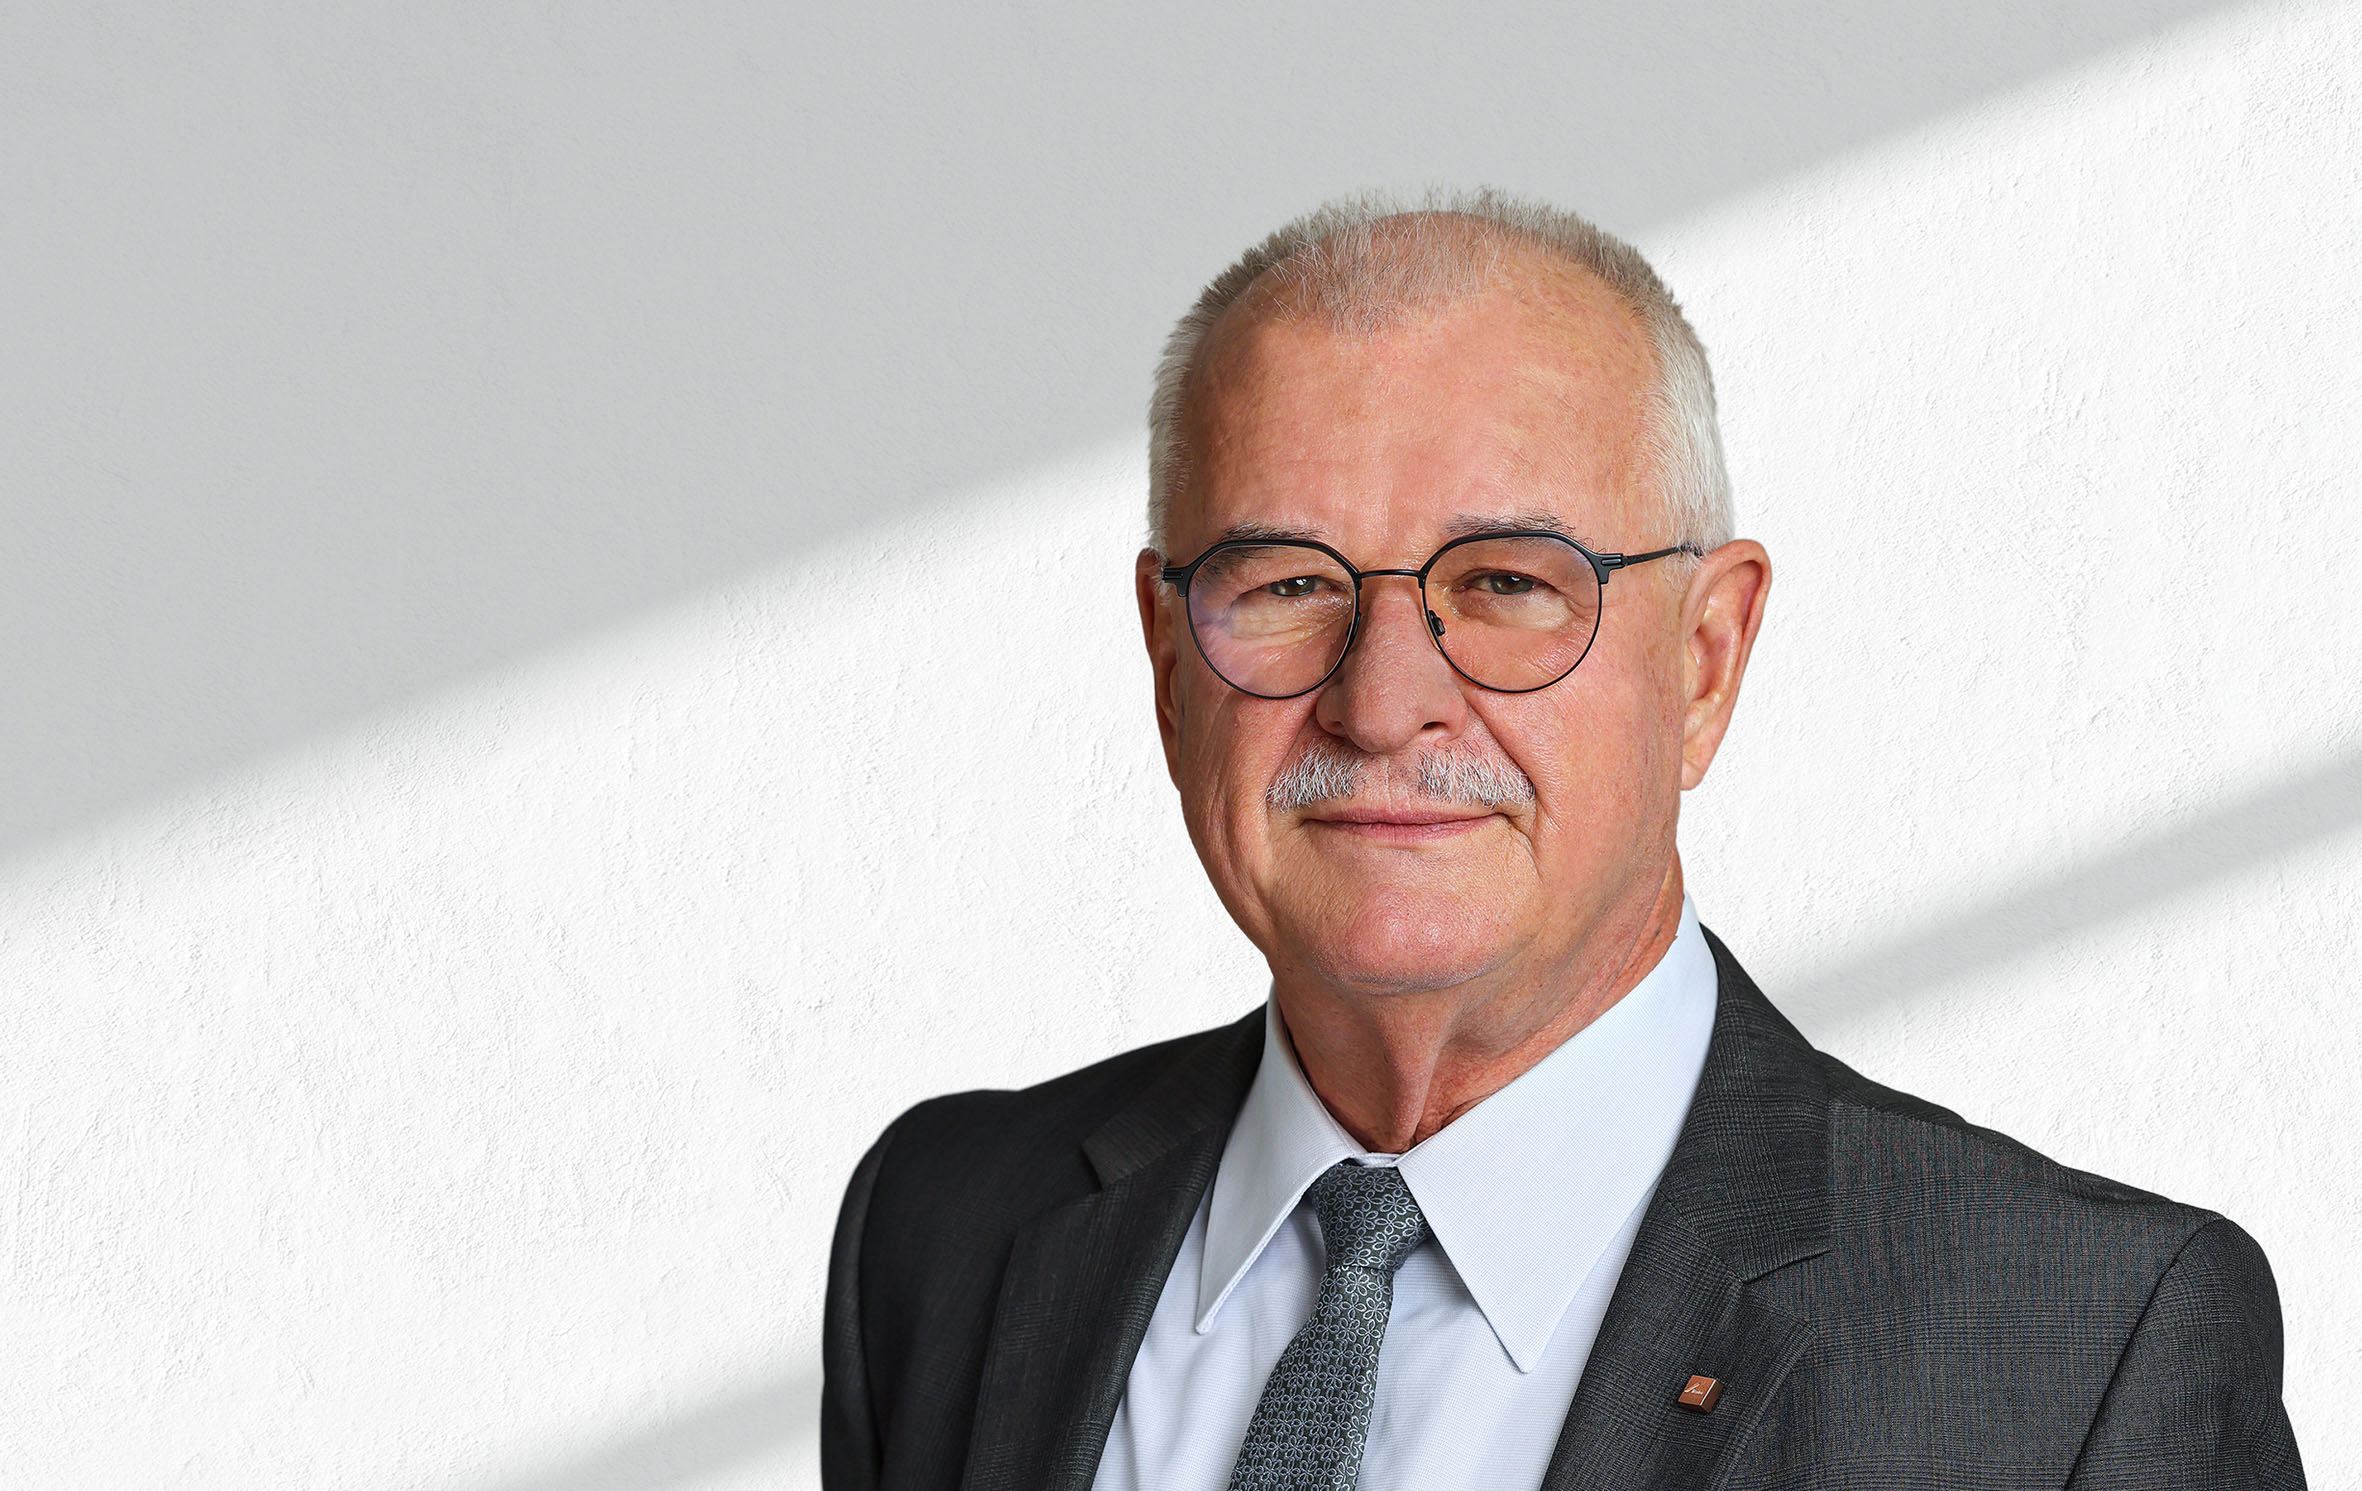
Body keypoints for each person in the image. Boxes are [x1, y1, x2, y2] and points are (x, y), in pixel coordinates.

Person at [820, 191, 2305, 1489]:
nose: (1381, 704)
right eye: (1284, 586)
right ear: (1165, 662)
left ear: (1704, 661)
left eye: (1508, 584)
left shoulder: (2077, 1357)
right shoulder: (946, 1230)